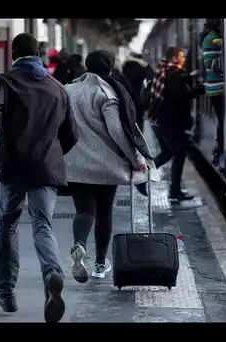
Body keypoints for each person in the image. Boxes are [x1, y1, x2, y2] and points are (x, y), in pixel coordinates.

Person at [0, 33, 78, 323]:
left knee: (8, 223)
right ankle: (53, 273)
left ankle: (6, 293)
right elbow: (72, 134)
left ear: (13, 54)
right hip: (46, 168)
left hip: (14, 167)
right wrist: (50, 153)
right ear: (39, 54)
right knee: (43, 225)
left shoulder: (4, 82)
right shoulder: (57, 88)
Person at [63, 50, 154, 283]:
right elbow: (118, 131)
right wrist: (137, 161)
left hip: (74, 163)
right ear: (110, 68)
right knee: (104, 213)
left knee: (84, 211)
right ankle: (100, 265)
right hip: (105, 166)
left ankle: (78, 244)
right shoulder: (107, 93)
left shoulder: (67, 90)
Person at [139, 46, 204, 202]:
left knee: (168, 153)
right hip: (171, 123)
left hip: (160, 122)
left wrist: (189, 77)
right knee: (179, 154)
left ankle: (142, 176)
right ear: (174, 58)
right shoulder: (174, 74)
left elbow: (175, 84)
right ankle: (174, 191)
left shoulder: (165, 72)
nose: (183, 59)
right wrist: (201, 89)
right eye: (181, 56)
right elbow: (181, 96)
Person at [200, 19, 225, 165]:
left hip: (216, 87)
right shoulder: (212, 39)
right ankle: (220, 149)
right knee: (222, 120)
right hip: (217, 88)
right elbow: (212, 65)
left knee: (221, 120)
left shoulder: (212, 37)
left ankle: (219, 149)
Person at [122, 52, 155, 131]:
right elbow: (152, 76)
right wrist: (146, 65)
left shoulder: (124, 68)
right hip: (137, 105)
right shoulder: (140, 69)